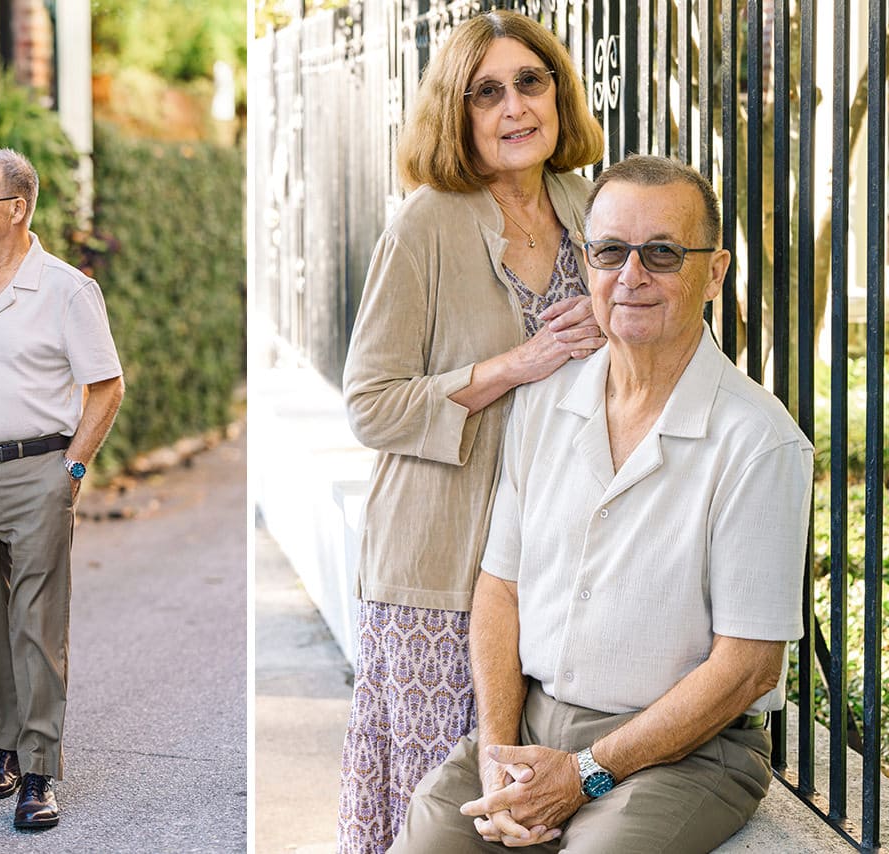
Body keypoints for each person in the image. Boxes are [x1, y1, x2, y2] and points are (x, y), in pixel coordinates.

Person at [389, 156, 814, 853]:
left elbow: (748, 668)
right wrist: (496, 753)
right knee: (431, 839)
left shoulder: (759, 442)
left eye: (663, 253)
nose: (631, 275)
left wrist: (584, 773)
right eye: (610, 251)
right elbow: (500, 588)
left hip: (683, 756)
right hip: (531, 728)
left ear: (714, 274)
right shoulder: (544, 401)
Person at [337, 11, 605, 851]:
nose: (514, 107)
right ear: (458, 114)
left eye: (530, 82)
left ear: (558, 94)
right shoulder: (425, 223)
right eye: (486, 93)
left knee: (533, 803)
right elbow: (370, 402)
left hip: (553, 563)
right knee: (444, 811)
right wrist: (517, 363)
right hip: (439, 565)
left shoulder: (589, 206)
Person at [0, 148, 125, 830]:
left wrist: (71, 471)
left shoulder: (66, 289)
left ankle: (40, 768)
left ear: (16, 209)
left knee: (37, 622)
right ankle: (7, 747)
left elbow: (107, 387)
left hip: (38, 469)